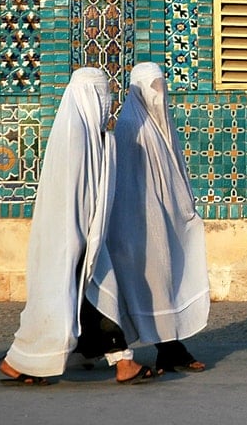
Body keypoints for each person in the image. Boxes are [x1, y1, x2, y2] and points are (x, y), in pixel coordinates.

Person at [0, 67, 159, 385]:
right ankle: (122, 362)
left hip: (82, 237)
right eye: (102, 96)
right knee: (97, 292)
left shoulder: (92, 137)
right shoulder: (75, 139)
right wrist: (80, 241)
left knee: (73, 299)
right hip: (74, 239)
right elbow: (73, 199)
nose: (107, 104)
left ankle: (19, 362)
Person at [99, 62, 210, 373]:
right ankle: (169, 350)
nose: (159, 94)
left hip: (163, 224)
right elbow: (126, 188)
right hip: (138, 228)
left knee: (166, 283)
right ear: (138, 90)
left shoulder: (162, 124)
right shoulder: (130, 126)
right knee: (152, 286)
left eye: (162, 86)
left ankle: (169, 349)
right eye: (153, 88)